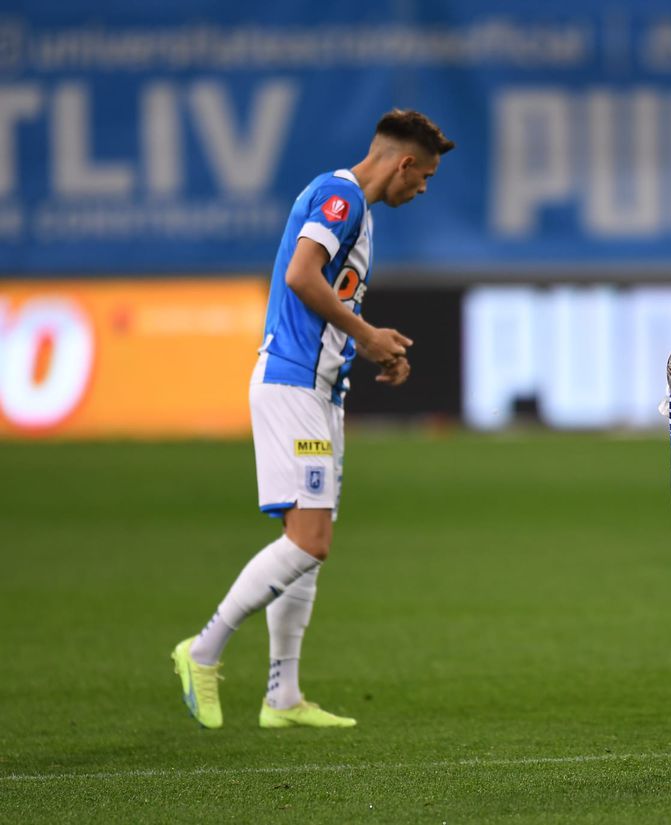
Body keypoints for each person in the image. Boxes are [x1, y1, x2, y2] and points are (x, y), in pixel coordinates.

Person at [170, 110, 454, 730]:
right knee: (309, 540)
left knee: (308, 546)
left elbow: (331, 299)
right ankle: (203, 650)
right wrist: (368, 334)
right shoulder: (339, 197)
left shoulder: (360, 214)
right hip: (292, 385)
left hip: (321, 391)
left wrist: (370, 349)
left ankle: (283, 696)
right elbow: (301, 276)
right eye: (426, 176)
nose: (424, 188)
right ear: (405, 163)